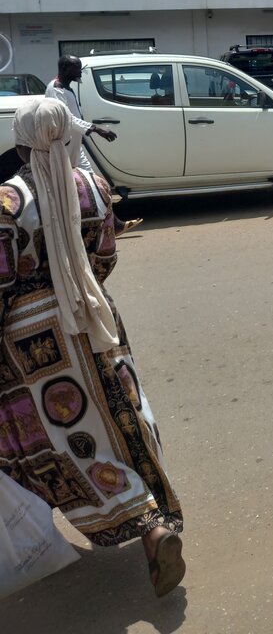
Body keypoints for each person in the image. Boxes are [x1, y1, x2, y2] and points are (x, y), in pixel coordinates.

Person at [0, 98, 185, 597]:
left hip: (33, 340)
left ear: (20, 143)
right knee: (120, 420)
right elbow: (105, 255)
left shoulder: (8, 203)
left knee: (54, 444)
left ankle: (126, 521)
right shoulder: (96, 189)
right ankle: (153, 525)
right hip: (98, 319)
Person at [46, 55, 142, 235]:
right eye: (77, 69)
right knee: (66, 189)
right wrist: (96, 129)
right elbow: (67, 118)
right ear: (66, 69)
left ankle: (114, 224)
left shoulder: (66, 87)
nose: (80, 72)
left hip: (74, 146)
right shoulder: (56, 89)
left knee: (93, 184)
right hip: (63, 148)